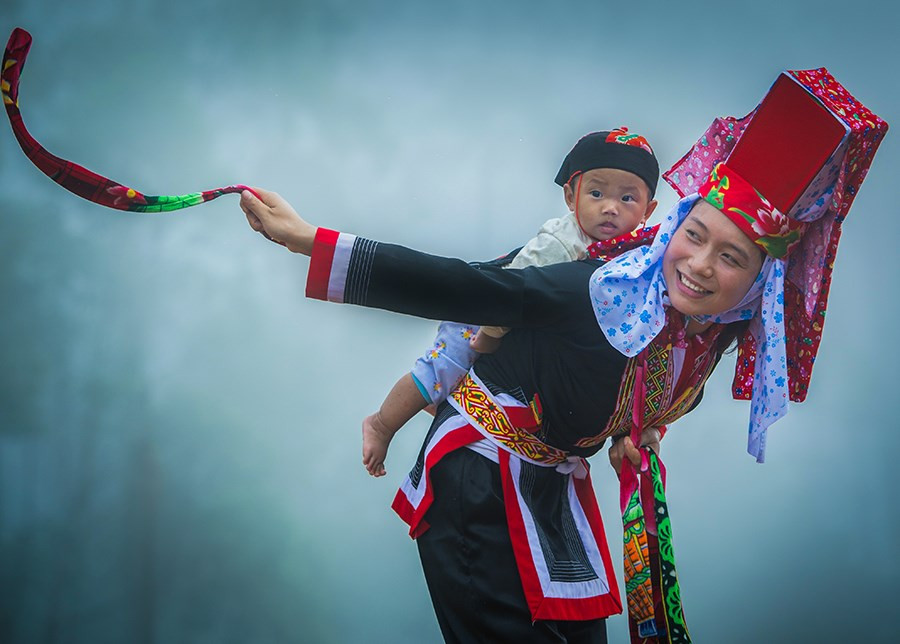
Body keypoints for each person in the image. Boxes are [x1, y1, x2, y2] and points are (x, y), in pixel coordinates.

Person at [238, 68, 886, 643]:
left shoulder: (709, 332)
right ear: (675, 225)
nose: (699, 265)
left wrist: (634, 429)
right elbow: (469, 285)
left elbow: (630, 390)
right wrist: (310, 242)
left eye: (732, 257)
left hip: (552, 491)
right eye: (694, 236)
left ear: (759, 289)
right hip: (481, 481)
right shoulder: (599, 287)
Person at [363, 128, 660, 478]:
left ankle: (445, 399)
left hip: (528, 329)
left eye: (627, 199)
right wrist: (488, 336)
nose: (610, 208)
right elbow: (508, 292)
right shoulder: (563, 243)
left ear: (648, 210)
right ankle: (382, 424)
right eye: (596, 193)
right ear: (570, 196)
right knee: (441, 368)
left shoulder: (633, 260)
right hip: (486, 310)